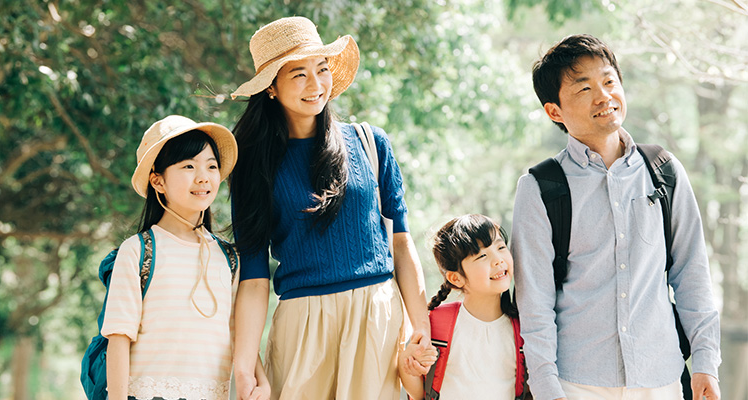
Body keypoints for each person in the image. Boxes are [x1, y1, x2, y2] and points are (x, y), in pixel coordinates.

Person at [228, 16, 432, 400]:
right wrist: (244, 360)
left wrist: (419, 323)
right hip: (303, 323)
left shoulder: (370, 143)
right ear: (271, 88)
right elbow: (254, 275)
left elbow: (401, 242)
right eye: (298, 74)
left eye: (321, 70)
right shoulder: (253, 166)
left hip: (377, 314)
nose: (315, 84)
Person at [512, 34, 721, 400]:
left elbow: (692, 274)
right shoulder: (539, 188)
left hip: (662, 378)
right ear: (554, 111)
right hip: (578, 383)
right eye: (583, 88)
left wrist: (705, 361)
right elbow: (535, 301)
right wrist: (546, 387)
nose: (603, 96)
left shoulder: (664, 171)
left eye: (609, 81)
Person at [102, 115, 270, 400]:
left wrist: (261, 380)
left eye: (211, 166)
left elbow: (240, 332)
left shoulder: (229, 257)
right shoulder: (139, 250)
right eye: (188, 166)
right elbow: (119, 339)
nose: (203, 177)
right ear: (158, 181)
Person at [399, 214, 527, 399]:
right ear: (455, 278)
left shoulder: (523, 327)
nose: (498, 259)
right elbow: (419, 394)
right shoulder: (435, 325)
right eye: (482, 255)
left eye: (501, 247)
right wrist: (407, 364)